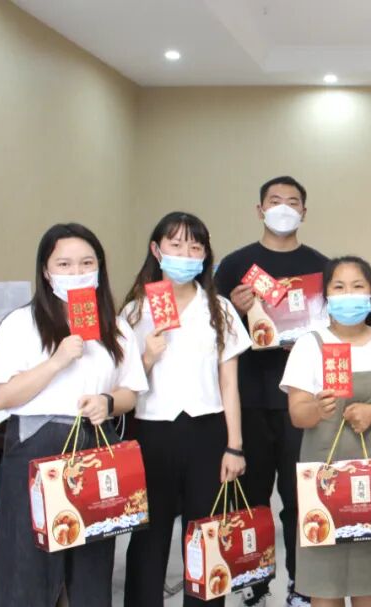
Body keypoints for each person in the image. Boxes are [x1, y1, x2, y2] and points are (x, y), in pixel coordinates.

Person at [0, 223, 148, 607]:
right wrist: (56, 361)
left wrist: (107, 402)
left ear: (99, 267)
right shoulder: (20, 324)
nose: (77, 272)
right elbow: (0, 396)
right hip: (35, 452)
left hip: (95, 451)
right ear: (46, 271)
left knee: (89, 567)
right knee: (28, 565)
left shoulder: (115, 327)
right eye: (64, 264)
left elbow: (131, 393)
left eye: (87, 263)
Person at [121, 212, 252, 607]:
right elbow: (122, 386)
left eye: (195, 247)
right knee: (149, 537)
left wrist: (235, 446)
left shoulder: (220, 309)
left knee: (206, 536)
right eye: (176, 245)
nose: (185, 254)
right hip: (151, 432)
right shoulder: (134, 311)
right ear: (156, 250)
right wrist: (147, 356)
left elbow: (229, 383)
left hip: (207, 431)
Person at [282, 256, 371, 607]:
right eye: (339, 287)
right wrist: (317, 409)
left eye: (358, 286)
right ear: (326, 296)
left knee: (370, 580)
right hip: (325, 482)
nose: (349, 294)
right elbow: (297, 414)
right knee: (325, 582)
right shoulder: (310, 345)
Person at [215, 175, 329, 607]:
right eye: (275, 200)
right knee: (252, 498)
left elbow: (336, 330)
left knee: (302, 498)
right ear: (259, 209)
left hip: (302, 402)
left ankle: (303, 585)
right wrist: (235, 307)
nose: (284, 208)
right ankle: (255, 585)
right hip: (249, 398)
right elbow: (211, 328)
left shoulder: (321, 267)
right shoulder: (234, 266)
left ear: (304, 212)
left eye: (293, 201)